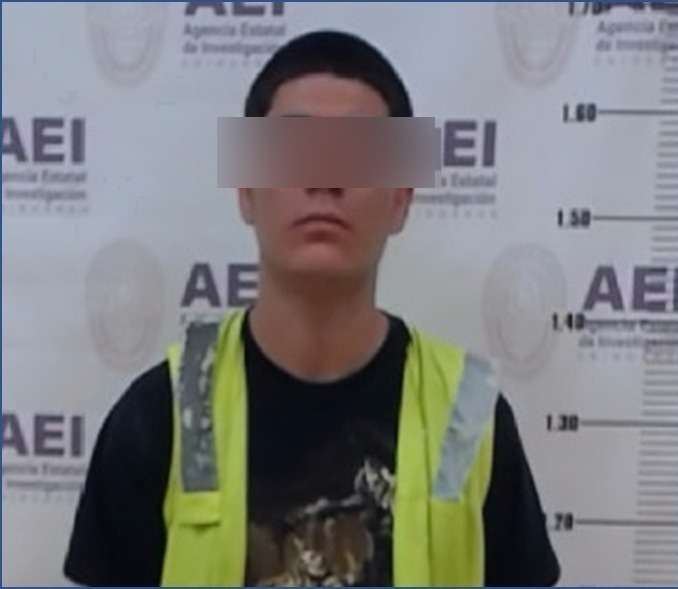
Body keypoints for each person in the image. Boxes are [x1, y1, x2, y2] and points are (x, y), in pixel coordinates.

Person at [64, 30, 560, 587]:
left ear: (401, 198)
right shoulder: (160, 416)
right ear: (246, 189)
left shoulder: (469, 417)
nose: (324, 180)